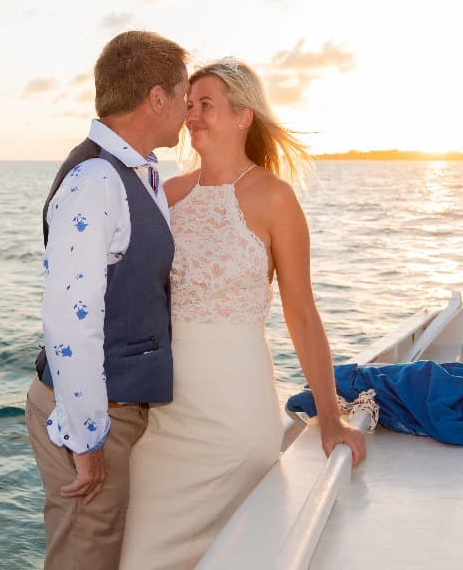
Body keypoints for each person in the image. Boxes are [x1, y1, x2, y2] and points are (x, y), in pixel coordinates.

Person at [120, 57, 367, 569]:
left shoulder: (274, 198)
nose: (192, 116)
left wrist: (329, 420)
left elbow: (302, 315)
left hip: (236, 418)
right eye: (188, 106)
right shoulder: (165, 196)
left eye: (205, 105)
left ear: (242, 116)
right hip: (165, 418)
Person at [26, 30, 191, 569]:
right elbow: (71, 322)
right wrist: (88, 436)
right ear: (156, 97)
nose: (189, 108)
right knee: (84, 559)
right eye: (183, 93)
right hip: (92, 415)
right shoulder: (97, 179)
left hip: (111, 409)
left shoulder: (135, 173)